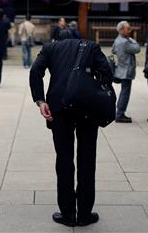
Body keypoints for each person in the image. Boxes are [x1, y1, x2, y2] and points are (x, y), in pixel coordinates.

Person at [29, 31, 111, 227]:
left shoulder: (50, 48)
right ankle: (84, 213)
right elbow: (107, 73)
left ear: (58, 37)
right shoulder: (91, 46)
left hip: (59, 108)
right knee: (87, 158)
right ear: (78, 37)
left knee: (64, 159)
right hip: (87, 108)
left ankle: (67, 213)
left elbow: (35, 71)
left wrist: (40, 101)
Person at [112, 20, 140, 123]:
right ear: (121, 30)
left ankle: (119, 112)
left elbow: (113, 50)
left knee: (124, 92)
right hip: (126, 70)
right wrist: (133, 40)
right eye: (128, 28)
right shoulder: (125, 42)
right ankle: (120, 114)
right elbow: (137, 49)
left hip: (120, 68)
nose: (130, 30)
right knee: (125, 93)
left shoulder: (117, 40)